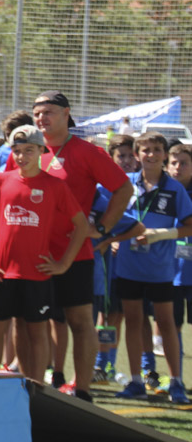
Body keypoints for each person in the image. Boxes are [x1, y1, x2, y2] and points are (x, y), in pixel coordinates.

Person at [21, 90, 132, 401]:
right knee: (31, 321)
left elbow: (123, 187)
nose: (42, 118)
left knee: (80, 321)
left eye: (49, 112)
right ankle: (30, 385)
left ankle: (82, 389)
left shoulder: (87, 152)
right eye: (37, 112)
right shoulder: (29, 150)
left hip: (75, 254)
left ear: (66, 113)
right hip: (33, 254)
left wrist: (102, 228)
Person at [0, 125, 91, 382]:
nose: (21, 156)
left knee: (36, 333)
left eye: (29, 150)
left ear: (42, 151)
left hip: (37, 275)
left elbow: (82, 225)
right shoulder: (0, 181)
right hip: (1, 273)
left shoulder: (55, 186)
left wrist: (63, 264)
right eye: (16, 150)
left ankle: (35, 389)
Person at [111, 132, 192, 404]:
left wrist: (163, 234)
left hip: (160, 270)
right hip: (128, 266)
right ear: (137, 154)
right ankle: (136, 381)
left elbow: (189, 225)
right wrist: (112, 239)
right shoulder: (126, 185)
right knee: (133, 321)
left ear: (164, 155)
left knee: (166, 324)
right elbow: (110, 216)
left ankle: (177, 383)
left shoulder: (175, 189)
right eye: (146, 150)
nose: (152, 155)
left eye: (157, 150)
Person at [90, 134, 141, 382]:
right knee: (106, 313)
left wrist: (117, 240)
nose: (128, 161)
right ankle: (101, 364)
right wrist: (108, 242)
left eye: (132, 156)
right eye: (122, 156)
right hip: (106, 263)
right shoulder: (101, 189)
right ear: (111, 159)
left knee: (120, 314)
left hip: (133, 262)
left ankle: (110, 364)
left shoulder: (140, 186)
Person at [168, 144, 192, 361]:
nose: (178, 168)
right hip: (170, 273)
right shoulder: (164, 193)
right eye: (173, 163)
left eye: (184, 163)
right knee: (172, 325)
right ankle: (176, 377)